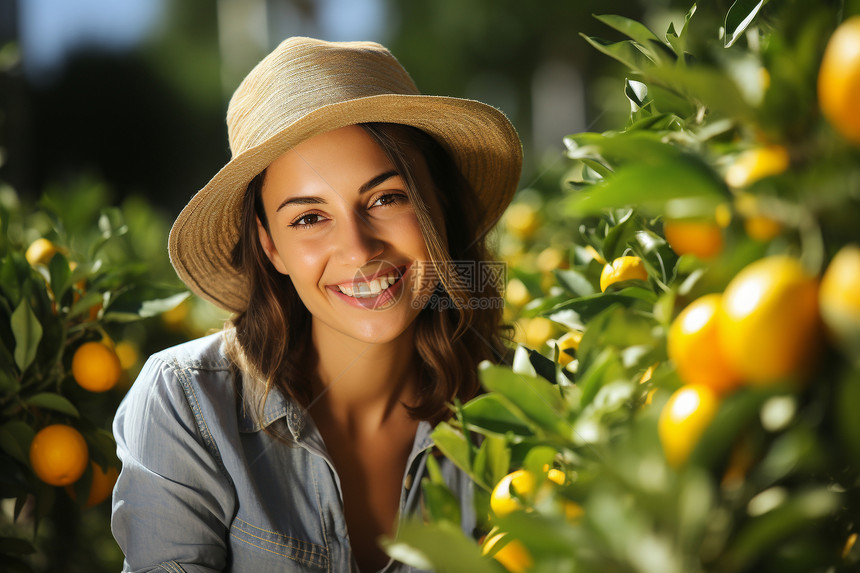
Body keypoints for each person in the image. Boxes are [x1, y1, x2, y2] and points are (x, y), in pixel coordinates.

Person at [111, 36, 522, 573]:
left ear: (435, 205)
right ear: (270, 245)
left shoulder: (518, 407)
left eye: (386, 198)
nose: (359, 249)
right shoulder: (187, 404)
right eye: (309, 217)